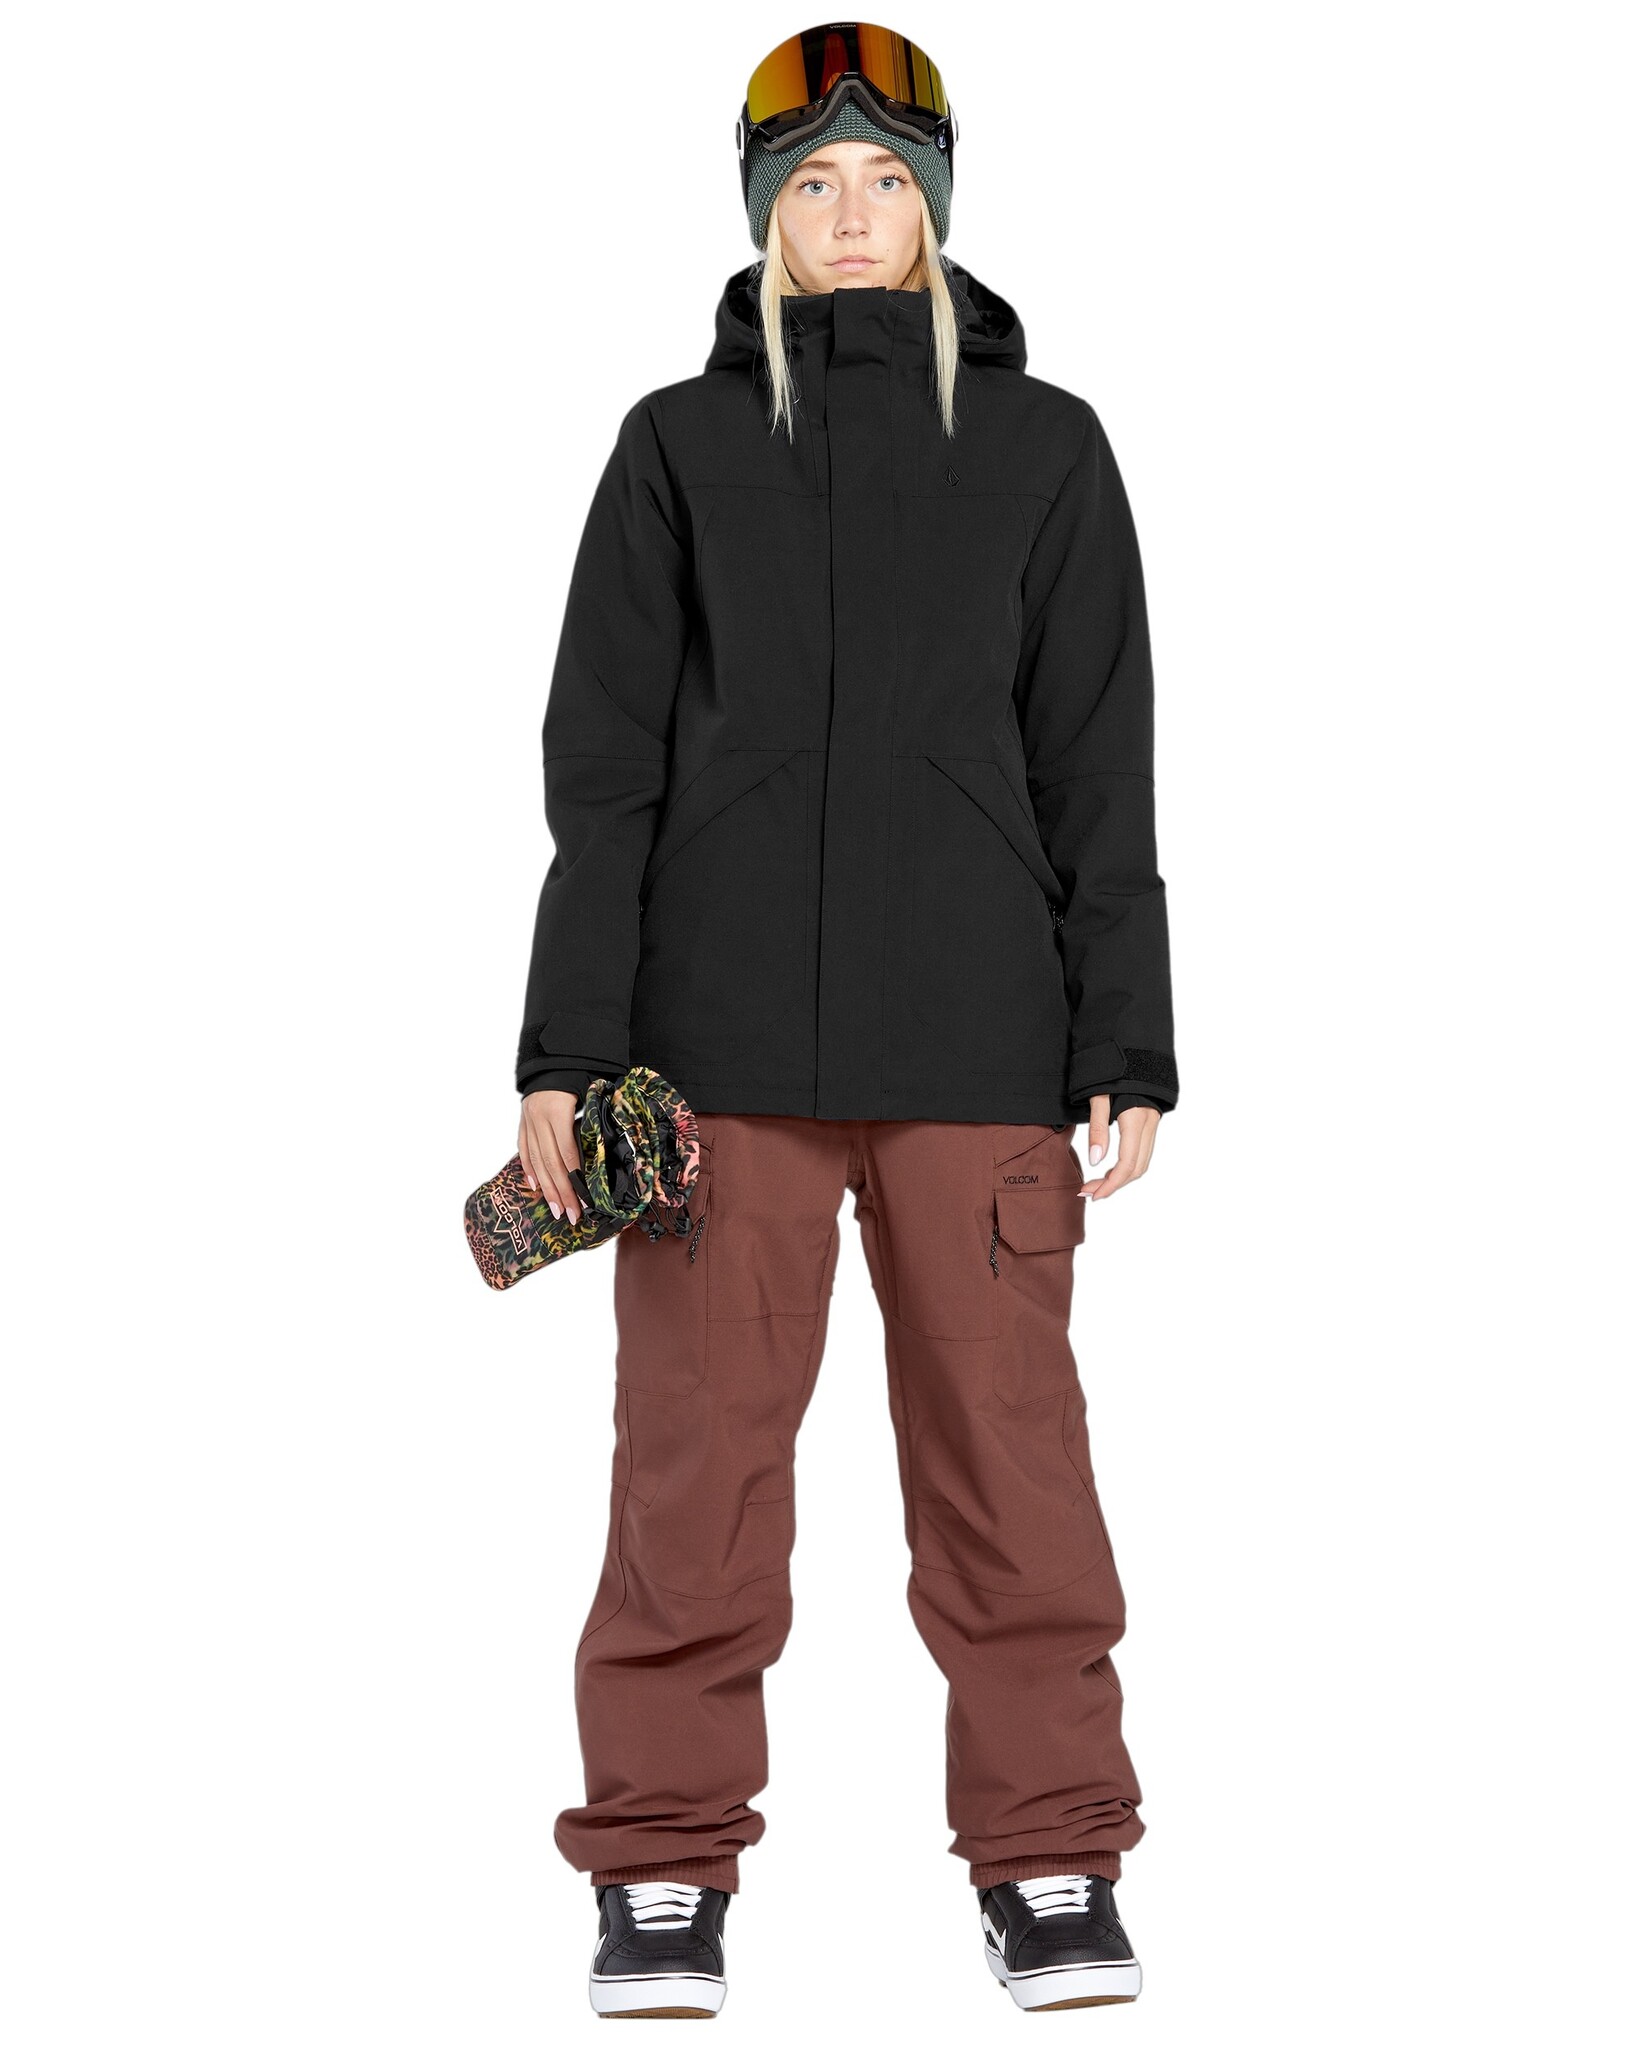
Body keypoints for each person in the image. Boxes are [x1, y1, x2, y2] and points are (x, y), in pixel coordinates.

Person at [512, 21, 1178, 2018]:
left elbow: (1097, 764)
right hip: (714, 1061)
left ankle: (1050, 1855)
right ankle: (659, 1867)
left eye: (889, 180)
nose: (855, 214)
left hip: (983, 1047)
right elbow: (603, 774)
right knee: (693, 1473)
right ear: (765, 216)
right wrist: (566, 1051)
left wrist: (1125, 1036)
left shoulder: (1047, 448)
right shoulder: (676, 447)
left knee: (1010, 1468)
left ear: (939, 206)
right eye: (813, 184)